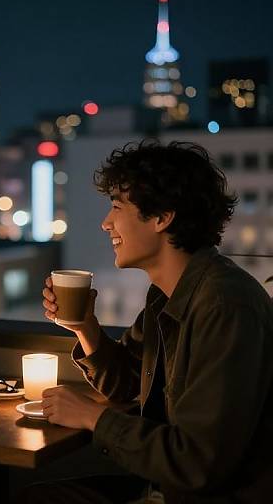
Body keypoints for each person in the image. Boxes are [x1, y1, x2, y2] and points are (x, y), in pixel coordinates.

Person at [36, 140, 273, 503]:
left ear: (163, 217)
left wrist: (93, 419)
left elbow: (196, 463)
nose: (105, 223)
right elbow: (127, 382)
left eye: (116, 207)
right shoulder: (166, 293)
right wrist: (85, 327)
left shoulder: (225, 304)